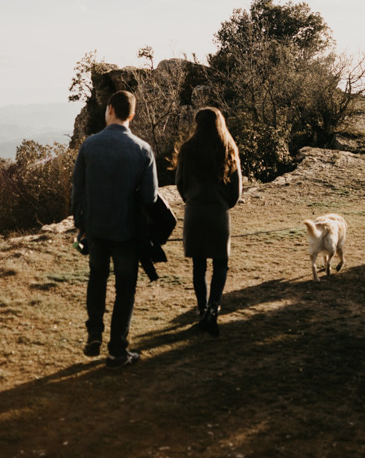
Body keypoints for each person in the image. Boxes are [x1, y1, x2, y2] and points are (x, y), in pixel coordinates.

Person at [71, 90, 159, 368]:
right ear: (132, 115)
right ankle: (117, 350)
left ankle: (94, 333)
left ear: (109, 109)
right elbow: (151, 198)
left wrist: (80, 225)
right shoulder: (142, 149)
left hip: (95, 228)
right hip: (127, 231)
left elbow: (77, 191)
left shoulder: (89, 145)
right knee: (125, 289)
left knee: (97, 279)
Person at [174, 107, 242, 337]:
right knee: (220, 264)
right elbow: (236, 191)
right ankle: (213, 308)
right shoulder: (228, 149)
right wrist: (223, 204)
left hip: (195, 213)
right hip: (218, 215)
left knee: (199, 265)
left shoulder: (187, 150)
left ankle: (202, 309)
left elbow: (180, 184)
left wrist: (191, 200)